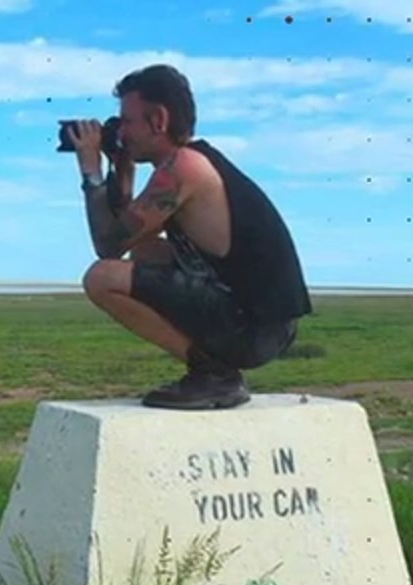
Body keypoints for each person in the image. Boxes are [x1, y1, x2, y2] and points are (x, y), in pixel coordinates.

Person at [65, 63, 312, 410]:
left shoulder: (184, 170)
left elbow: (107, 247)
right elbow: (125, 237)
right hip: (264, 320)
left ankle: (213, 374)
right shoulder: (193, 162)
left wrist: (91, 172)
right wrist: (122, 167)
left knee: (100, 278)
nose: (121, 131)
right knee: (145, 252)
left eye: (127, 121)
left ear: (158, 120)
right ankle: (215, 373)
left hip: (255, 329)